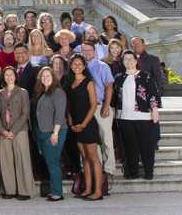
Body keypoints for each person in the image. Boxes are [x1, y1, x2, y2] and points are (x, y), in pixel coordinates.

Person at [112, 50, 161, 180]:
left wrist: (155, 110)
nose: (128, 61)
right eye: (126, 59)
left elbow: (153, 94)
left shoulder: (145, 76)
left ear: (136, 61)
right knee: (129, 144)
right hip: (124, 116)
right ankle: (133, 171)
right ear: (123, 62)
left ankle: (149, 171)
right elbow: (114, 96)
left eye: (131, 59)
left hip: (143, 116)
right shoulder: (119, 77)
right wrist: (113, 111)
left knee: (146, 144)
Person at [64, 55, 103, 200]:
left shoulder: (89, 82)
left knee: (93, 157)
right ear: (71, 66)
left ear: (84, 67)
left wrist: (84, 124)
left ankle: (98, 191)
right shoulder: (70, 83)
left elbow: (93, 106)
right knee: (84, 157)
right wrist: (71, 122)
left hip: (88, 124)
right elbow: (70, 105)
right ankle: (88, 189)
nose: (77, 66)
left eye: (80, 64)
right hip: (76, 124)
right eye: (74, 64)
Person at [0, 67, 33, 200]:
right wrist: (3, 130)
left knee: (22, 159)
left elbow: (25, 113)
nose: (9, 77)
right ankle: (9, 190)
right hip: (4, 131)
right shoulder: (0, 93)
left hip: (19, 130)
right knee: (6, 161)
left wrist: (13, 131)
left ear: (15, 77)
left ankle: (24, 191)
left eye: (11, 75)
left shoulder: (23, 92)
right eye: (6, 75)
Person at [31, 66, 68, 201]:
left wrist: (55, 133)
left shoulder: (57, 92)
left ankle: (58, 193)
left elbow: (60, 113)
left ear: (53, 77)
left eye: (48, 76)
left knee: (52, 161)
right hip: (41, 131)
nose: (45, 78)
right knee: (49, 161)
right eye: (43, 76)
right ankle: (54, 190)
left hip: (53, 131)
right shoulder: (40, 92)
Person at [80, 40, 115, 178]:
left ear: (95, 51)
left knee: (106, 139)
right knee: (93, 140)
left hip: (101, 106)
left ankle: (109, 169)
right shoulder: (80, 67)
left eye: (89, 50)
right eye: (84, 50)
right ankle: (98, 169)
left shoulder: (102, 66)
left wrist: (106, 105)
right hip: (86, 108)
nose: (87, 53)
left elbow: (109, 87)